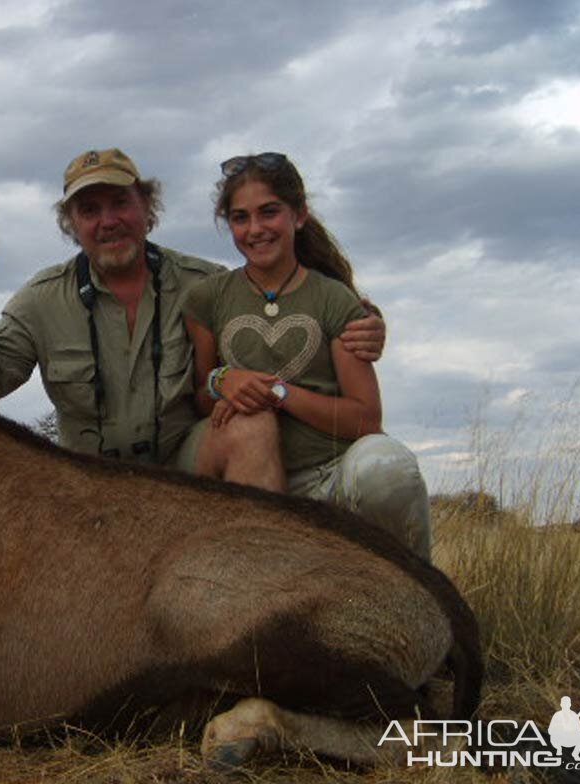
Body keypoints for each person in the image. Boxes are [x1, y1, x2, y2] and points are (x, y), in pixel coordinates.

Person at [0, 148, 386, 472]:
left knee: (251, 426)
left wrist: (361, 319)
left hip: (185, 468)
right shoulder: (41, 298)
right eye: (89, 210)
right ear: (71, 224)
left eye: (121, 202)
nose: (108, 221)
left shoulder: (206, 284)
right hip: (87, 481)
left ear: (147, 207)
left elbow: (283, 302)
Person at [184, 152, 431, 559]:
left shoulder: (335, 298)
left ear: (299, 216)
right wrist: (221, 381)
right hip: (245, 472)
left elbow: (366, 418)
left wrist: (278, 392)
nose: (255, 229)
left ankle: (421, 591)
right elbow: (198, 396)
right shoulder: (208, 297)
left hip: (330, 473)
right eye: (240, 218)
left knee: (390, 472)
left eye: (269, 212)